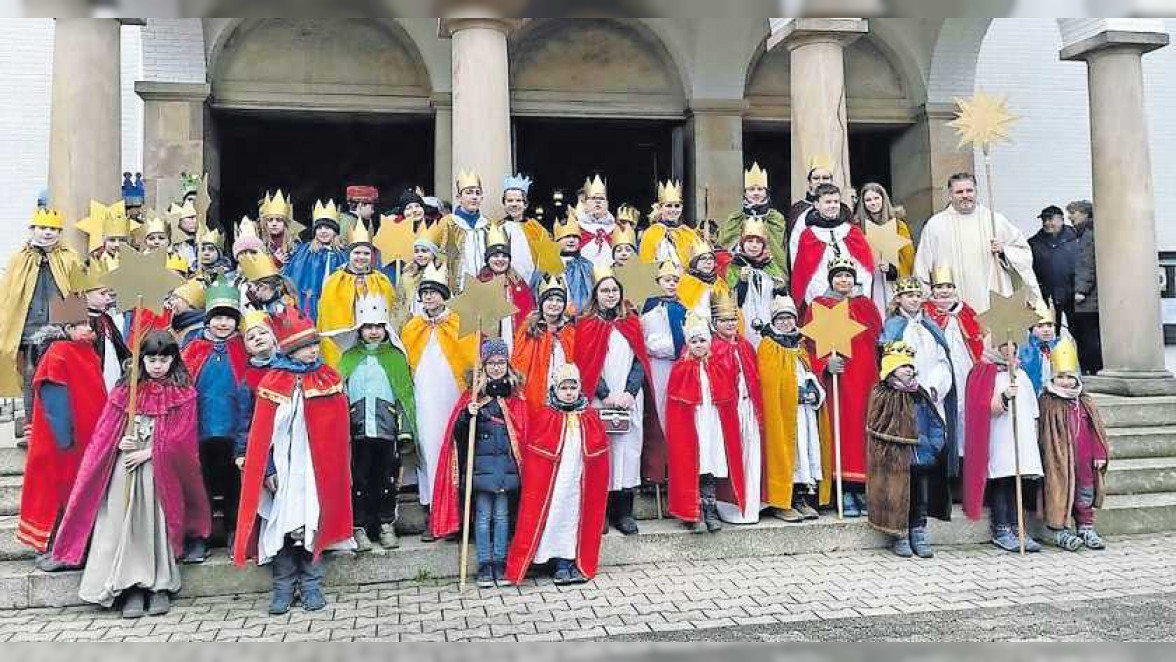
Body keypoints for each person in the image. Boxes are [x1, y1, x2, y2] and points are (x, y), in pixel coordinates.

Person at [53, 331, 211, 618]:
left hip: (159, 473)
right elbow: (104, 431)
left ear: (174, 359)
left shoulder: (184, 393)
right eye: (151, 359)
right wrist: (118, 442)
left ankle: (158, 584)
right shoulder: (126, 390)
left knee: (153, 524)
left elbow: (183, 439)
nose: (157, 365)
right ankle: (129, 586)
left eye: (164, 359)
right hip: (124, 470)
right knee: (123, 523)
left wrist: (151, 452)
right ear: (142, 360)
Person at [234, 307, 355, 615]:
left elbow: (337, 427)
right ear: (290, 349)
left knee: (310, 522)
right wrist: (268, 469)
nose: (313, 351)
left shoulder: (327, 377)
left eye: (315, 345)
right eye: (306, 347)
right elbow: (261, 432)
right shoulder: (272, 381)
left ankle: (312, 584)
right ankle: (283, 587)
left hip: (314, 470)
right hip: (283, 470)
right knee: (282, 525)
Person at [17, 294, 108, 569]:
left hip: (87, 439)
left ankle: (76, 546)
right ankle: (59, 547)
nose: (89, 329)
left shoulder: (86, 352)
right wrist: (65, 439)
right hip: (64, 444)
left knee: (78, 492)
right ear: (67, 329)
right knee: (59, 494)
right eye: (82, 325)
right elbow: (55, 400)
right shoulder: (57, 353)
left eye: (89, 324)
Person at [432, 338, 528, 588]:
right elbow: (458, 436)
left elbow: (522, 431)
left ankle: (501, 562)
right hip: (481, 472)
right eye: (491, 363)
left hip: (506, 471)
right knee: (483, 517)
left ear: (507, 364)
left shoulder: (515, 397)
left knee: (503, 516)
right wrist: (467, 415)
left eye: (500, 362)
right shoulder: (473, 397)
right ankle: (485, 565)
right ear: (483, 366)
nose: (496, 367)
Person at [504, 364, 609, 586]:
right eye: (564, 388)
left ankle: (567, 561)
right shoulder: (546, 415)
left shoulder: (589, 416)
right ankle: (547, 560)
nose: (569, 392)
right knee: (552, 517)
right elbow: (536, 456)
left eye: (573, 387)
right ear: (555, 389)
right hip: (553, 483)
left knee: (573, 519)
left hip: (578, 481)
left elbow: (599, 454)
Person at [575, 265, 660, 536]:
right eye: (605, 290)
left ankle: (624, 512)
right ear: (596, 294)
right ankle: (599, 513)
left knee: (628, 453)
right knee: (602, 454)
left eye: (614, 290)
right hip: (600, 399)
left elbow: (639, 360)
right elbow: (586, 364)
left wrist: (628, 393)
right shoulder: (587, 324)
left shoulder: (631, 321)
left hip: (628, 399)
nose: (610, 295)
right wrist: (605, 394)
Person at [328, 295, 416, 553]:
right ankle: (360, 526)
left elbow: (405, 396)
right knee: (359, 480)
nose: (374, 332)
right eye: (368, 327)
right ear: (360, 330)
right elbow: (338, 394)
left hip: (386, 430)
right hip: (356, 431)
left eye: (378, 326)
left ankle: (386, 524)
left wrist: (405, 430)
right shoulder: (348, 358)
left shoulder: (396, 358)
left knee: (386, 478)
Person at [802, 256, 883, 517]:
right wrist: (825, 364)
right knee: (841, 429)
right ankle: (843, 490)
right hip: (839, 379)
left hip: (865, 379)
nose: (843, 280)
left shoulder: (867, 306)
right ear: (830, 279)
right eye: (838, 276)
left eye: (847, 275)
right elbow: (807, 346)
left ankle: (862, 489)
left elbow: (879, 342)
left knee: (863, 429)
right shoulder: (819, 306)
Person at [401, 263, 476, 541]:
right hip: (423, 398)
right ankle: (432, 510)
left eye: (434, 292)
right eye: (425, 292)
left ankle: (459, 513)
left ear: (445, 295)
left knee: (456, 452)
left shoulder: (460, 323)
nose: (430, 296)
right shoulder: (412, 327)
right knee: (428, 453)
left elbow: (471, 359)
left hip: (453, 396)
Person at [179, 278, 250, 563]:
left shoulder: (243, 349)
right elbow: (182, 385)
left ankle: (235, 530)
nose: (223, 324)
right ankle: (201, 536)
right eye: (218, 318)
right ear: (208, 320)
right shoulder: (193, 349)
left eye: (228, 319)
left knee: (234, 483)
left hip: (235, 431)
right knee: (202, 484)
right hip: (202, 430)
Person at [0, 208, 83, 439]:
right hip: (29, 328)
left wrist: (75, 324)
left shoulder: (69, 257)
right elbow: (9, 294)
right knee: (30, 375)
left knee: (58, 376)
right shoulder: (20, 258)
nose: (48, 233)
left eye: (53, 229)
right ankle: (31, 426)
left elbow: (76, 290)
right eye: (43, 227)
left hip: (58, 329)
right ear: (33, 229)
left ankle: (57, 426)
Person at [866, 341, 953, 558]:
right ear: (890, 369)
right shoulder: (883, 393)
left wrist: (933, 444)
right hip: (896, 458)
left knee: (919, 495)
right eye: (902, 365)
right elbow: (879, 423)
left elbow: (934, 420)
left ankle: (918, 530)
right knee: (897, 495)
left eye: (910, 365)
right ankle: (900, 534)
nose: (908, 369)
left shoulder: (919, 392)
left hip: (921, 456)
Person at [914, 173, 1041, 313]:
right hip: (951, 305)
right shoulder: (935, 225)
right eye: (959, 192)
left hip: (990, 300)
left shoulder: (995, 221)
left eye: (969, 191)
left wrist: (1004, 251)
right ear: (950, 195)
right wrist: (926, 301)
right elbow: (922, 267)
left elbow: (1024, 253)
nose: (965, 195)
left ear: (976, 192)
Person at [665, 313, 744, 533]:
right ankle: (693, 510)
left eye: (702, 341)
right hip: (692, 424)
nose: (699, 345)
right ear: (688, 344)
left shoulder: (717, 365)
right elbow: (676, 406)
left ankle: (710, 507)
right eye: (694, 341)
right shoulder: (680, 368)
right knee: (694, 463)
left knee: (710, 463)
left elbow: (727, 396)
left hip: (713, 422)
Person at [963, 341, 1045, 553]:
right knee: (1002, 481)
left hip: (1021, 438)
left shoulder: (1022, 375)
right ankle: (1001, 528)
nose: (1009, 354)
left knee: (1018, 481)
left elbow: (1033, 407)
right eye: (1004, 349)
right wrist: (1004, 397)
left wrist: (1034, 433)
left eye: (1013, 350)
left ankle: (1018, 527)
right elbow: (981, 407)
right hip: (999, 437)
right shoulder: (984, 373)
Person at [757, 295, 828, 522]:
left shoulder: (799, 344)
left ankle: (800, 498)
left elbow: (807, 371)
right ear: (774, 321)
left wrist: (813, 387)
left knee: (804, 452)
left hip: (803, 410)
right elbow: (768, 380)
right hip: (782, 411)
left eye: (790, 318)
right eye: (781, 319)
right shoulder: (769, 345)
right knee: (787, 452)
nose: (786, 323)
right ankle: (782, 501)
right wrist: (790, 393)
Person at [1037, 338, 1110, 551]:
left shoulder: (1084, 401)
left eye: (1070, 377)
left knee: (1085, 492)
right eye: (1060, 377)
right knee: (1060, 492)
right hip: (1058, 459)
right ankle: (1060, 531)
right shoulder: (1048, 401)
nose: (1066, 382)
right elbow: (1042, 431)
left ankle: (1086, 527)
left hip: (1085, 460)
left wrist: (1099, 453)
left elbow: (1096, 430)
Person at [879, 277, 958, 462]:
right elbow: (887, 361)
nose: (914, 300)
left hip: (933, 396)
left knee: (935, 450)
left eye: (917, 296)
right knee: (909, 452)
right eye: (909, 296)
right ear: (898, 298)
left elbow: (943, 361)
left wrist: (934, 386)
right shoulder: (892, 327)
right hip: (905, 398)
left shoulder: (931, 327)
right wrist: (901, 378)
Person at [711, 293, 766, 524]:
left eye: (733, 319)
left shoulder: (745, 345)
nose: (730, 324)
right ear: (714, 323)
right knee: (731, 455)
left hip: (748, 408)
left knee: (751, 454)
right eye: (724, 320)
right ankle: (730, 504)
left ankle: (752, 503)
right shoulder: (713, 348)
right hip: (727, 412)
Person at [317, 220, 397, 367]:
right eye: (357, 253)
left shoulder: (381, 280)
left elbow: (391, 312)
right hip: (343, 345)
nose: (361, 257)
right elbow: (327, 317)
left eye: (366, 253)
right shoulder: (335, 281)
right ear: (349, 254)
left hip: (373, 341)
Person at [923, 264, 985, 454]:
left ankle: (964, 456)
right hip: (938, 369)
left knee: (965, 410)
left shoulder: (965, 311)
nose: (944, 291)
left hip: (965, 369)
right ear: (932, 290)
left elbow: (977, 339)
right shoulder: (925, 312)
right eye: (939, 287)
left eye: (948, 287)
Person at [790, 183, 875, 305]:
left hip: (853, 297)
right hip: (823, 299)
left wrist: (855, 291)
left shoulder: (852, 231)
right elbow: (807, 275)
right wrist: (828, 297)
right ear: (817, 205)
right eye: (828, 202)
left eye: (836, 202)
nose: (833, 206)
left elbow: (865, 267)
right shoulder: (809, 236)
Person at [512, 274, 576, 410]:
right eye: (550, 299)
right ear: (541, 303)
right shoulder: (529, 329)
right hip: (535, 394)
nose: (554, 304)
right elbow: (519, 362)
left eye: (559, 300)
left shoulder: (570, 330)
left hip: (564, 396)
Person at [718, 163, 791, 280]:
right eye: (751, 189)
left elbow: (780, 249)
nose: (756, 193)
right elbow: (724, 249)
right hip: (741, 274)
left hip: (772, 273)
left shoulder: (776, 218)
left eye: (760, 189)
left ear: (766, 192)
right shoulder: (734, 219)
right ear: (745, 193)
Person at [640, 261, 688, 436]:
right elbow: (643, 337)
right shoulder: (649, 307)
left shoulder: (682, 308)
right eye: (667, 280)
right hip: (656, 364)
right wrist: (659, 348)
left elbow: (685, 336)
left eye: (675, 281)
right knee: (657, 402)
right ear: (658, 282)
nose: (672, 284)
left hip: (677, 363)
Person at [282, 199, 348, 323]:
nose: (323, 231)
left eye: (328, 227)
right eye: (319, 228)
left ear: (335, 231)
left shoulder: (342, 254)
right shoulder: (305, 251)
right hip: (311, 302)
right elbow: (293, 274)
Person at [724, 216, 786, 346]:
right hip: (744, 324)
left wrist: (780, 289)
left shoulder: (771, 266)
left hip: (769, 323)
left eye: (758, 242)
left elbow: (781, 302)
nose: (754, 245)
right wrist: (742, 282)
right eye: (750, 241)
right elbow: (731, 302)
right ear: (742, 243)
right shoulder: (733, 266)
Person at [856, 183, 914, 315]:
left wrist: (892, 268)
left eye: (876, 198)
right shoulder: (858, 228)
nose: (873, 203)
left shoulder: (899, 226)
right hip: (870, 283)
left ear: (883, 199)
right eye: (868, 200)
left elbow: (907, 258)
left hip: (891, 283)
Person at [478, 224, 536, 353]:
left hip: (513, 340)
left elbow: (528, 313)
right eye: (495, 256)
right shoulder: (479, 282)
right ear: (488, 259)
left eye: (504, 256)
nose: (500, 259)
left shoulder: (519, 283)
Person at [439, 170, 495, 291]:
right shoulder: (449, 223)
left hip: (484, 285)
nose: (474, 197)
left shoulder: (487, 225)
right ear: (459, 197)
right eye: (469, 193)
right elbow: (441, 256)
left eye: (477, 193)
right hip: (458, 286)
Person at [1028, 205, 1078, 332]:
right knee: (1049, 332)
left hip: (1074, 295)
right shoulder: (1034, 243)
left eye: (1050, 219)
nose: (1046, 223)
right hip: (1047, 295)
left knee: (1079, 331)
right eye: (1044, 220)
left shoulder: (1077, 238)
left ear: (1061, 220)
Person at [1067, 200, 1102, 375]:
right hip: (1094, 298)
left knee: (1088, 336)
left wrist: (1080, 290)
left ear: (1085, 214)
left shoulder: (1087, 235)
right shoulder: (1090, 232)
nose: (1070, 216)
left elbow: (1086, 264)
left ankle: (1092, 369)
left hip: (1088, 300)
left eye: (1073, 212)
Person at [638, 180, 702, 268]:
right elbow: (646, 263)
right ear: (660, 208)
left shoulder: (688, 232)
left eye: (677, 206)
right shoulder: (651, 233)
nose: (673, 210)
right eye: (669, 206)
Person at [392, 222, 444, 328]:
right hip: (412, 324)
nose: (420, 255)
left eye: (424, 251)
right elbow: (400, 303)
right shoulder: (407, 276)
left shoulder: (442, 274)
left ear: (433, 254)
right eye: (416, 251)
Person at [498, 173, 541, 283]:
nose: (514, 204)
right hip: (505, 281)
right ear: (504, 204)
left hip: (532, 281)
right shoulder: (497, 228)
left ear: (525, 204)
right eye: (510, 201)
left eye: (518, 200)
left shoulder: (536, 228)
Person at [678, 237, 733, 320]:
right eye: (703, 258)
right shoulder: (686, 282)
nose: (708, 262)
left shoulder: (720, 283)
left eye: (711, 258)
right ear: (694, 262)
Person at [553, 213, 596, 316]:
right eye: (567, 237)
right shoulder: (548, 265)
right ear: (558, 240)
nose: (571, 240)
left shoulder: (588, 266)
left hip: (583, 317)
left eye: (575, 237)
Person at [1018, 303, 1061, 396]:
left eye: (1049, 325)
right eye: (1040, 326)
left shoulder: (1059, 347)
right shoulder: (1025, 350)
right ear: (1032, 329)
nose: (1046, 330)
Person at [576, 175, 618, 269]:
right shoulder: (578, 226)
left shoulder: (615, 228)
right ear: (586, 204)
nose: (598, 202)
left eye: (601, 199)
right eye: (594, 198)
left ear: (607, 204)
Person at [785, 166, 836, 235]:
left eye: (825, 178)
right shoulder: (797, 209)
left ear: (831, 182)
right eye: (816, 178)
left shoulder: (843, 209)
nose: (821, 182)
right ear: (809, 183)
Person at [259, 190, 299, 268]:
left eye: (279, 220)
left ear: (285, 223)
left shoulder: (295, 245)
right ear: (266, 223)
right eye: (270, 220)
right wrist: (274, 262)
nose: (274, 224)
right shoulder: (260, 244)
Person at [166, 200, 200, 268]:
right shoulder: (165, 243)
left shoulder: (201, 242)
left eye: (195, 217)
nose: (195, 221)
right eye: (190, 217)